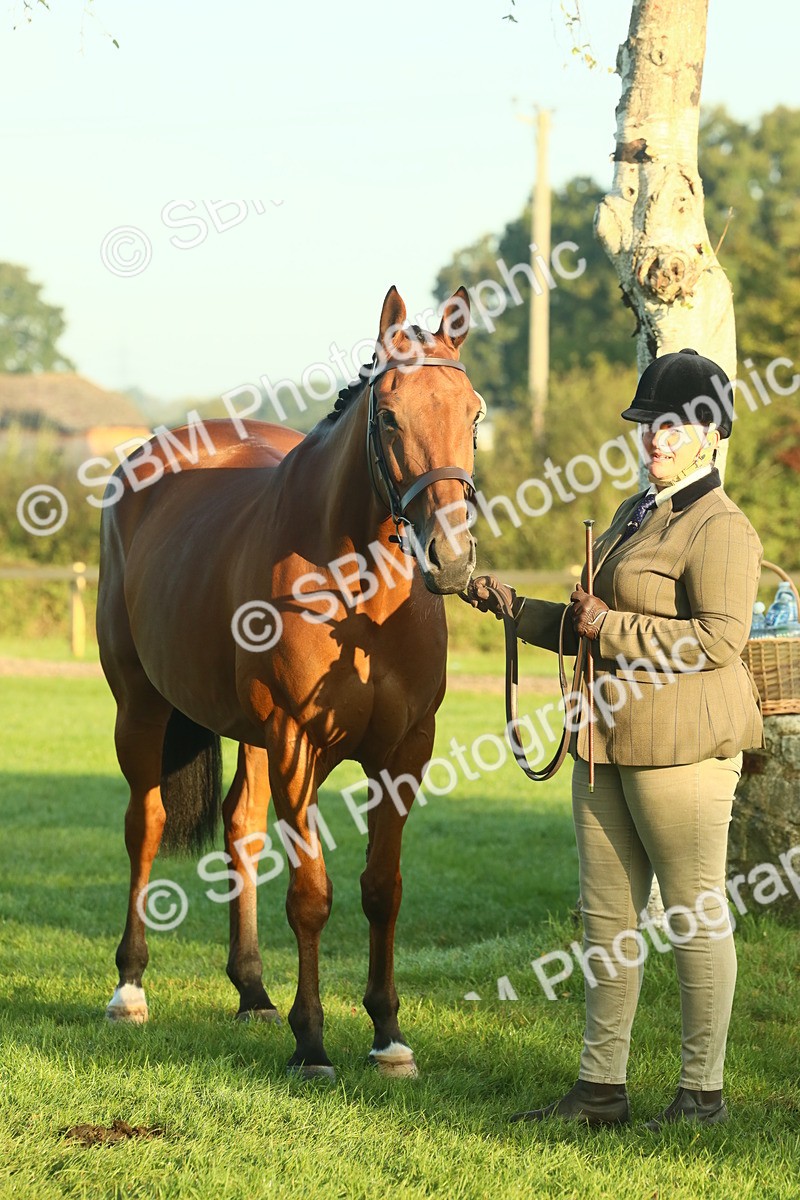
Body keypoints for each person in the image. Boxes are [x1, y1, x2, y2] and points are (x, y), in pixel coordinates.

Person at [468, 348, 764, 1129]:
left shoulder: (721, 526)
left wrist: (613, 622)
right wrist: (513, 608)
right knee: (607, 923)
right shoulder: (643, 511)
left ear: (711, 435)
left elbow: (720, 640)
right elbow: (587, 629)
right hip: (604, 741)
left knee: (694, 913)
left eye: (671, 426)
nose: (654, 438)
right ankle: (601, 1088)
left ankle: (702, 1094)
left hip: (685, 746)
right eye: (648, 424)